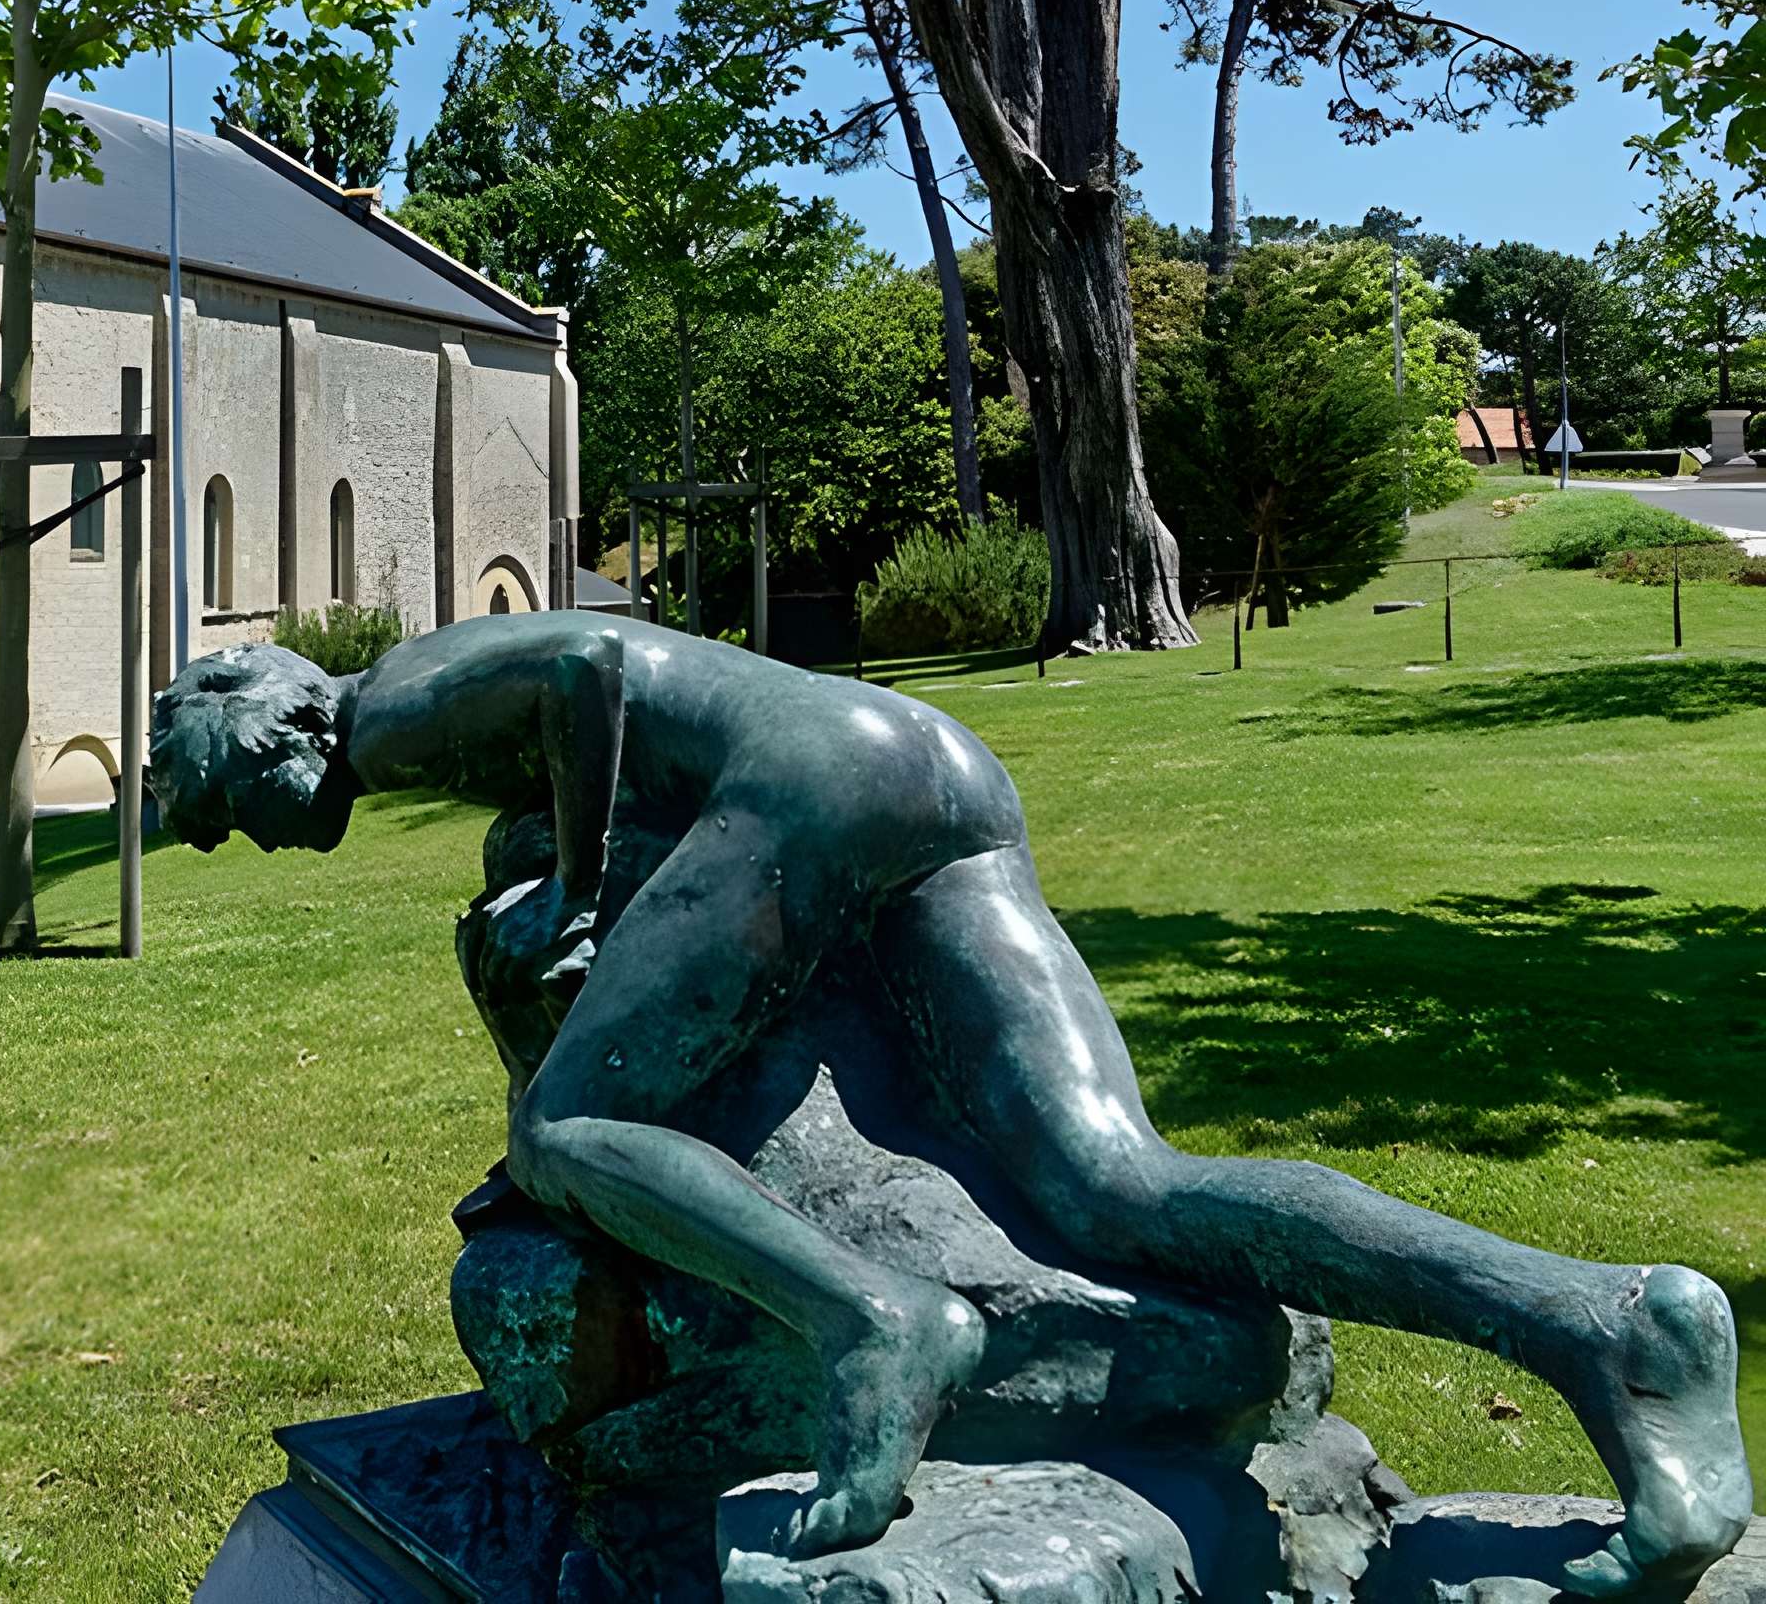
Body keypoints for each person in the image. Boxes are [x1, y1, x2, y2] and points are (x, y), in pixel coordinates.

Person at [151, 613, 1750, 1596]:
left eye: (219, 802)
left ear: (261, 715)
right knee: (1118, 1185)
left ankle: (876, 1324)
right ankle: (1601, 1322)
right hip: (931, 769)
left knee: (569, 1132)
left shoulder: (385, 703)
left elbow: (586, 667)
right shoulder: (410, 722)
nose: (245, 836)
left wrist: (576, 896)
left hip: (819, 787)